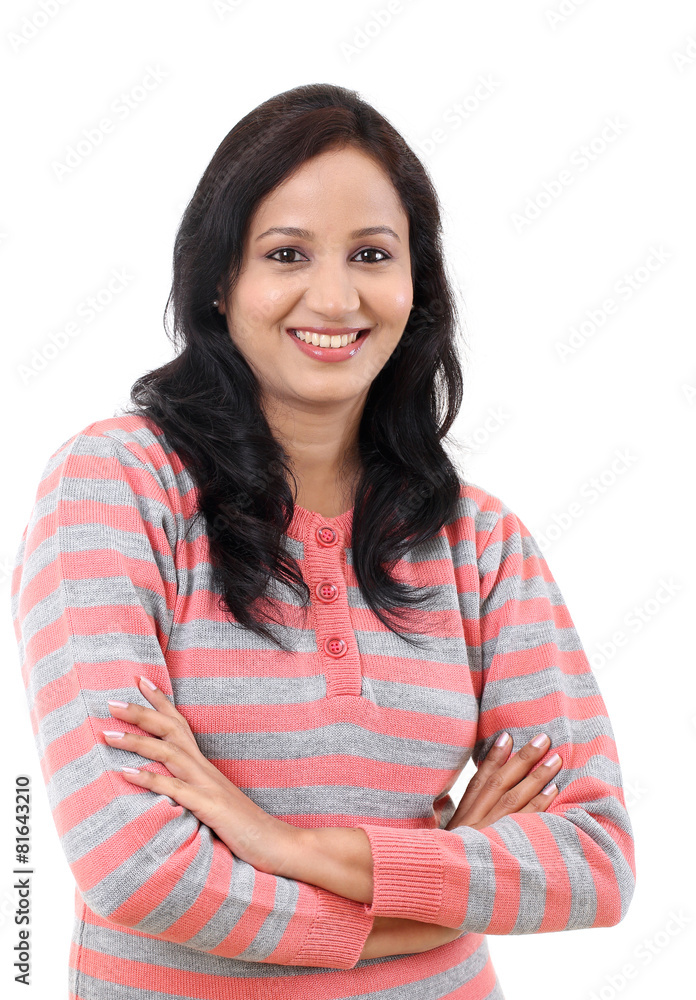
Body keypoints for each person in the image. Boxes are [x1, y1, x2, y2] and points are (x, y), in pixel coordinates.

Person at [10, 83, 635, 999]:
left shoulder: (481, 541)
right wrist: (434, 897)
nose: (336, 296)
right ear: (219, 281)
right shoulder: (115, 489)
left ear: (416, 284)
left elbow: (593, 860)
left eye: (373, 254)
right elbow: (132, 865)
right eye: (287, 253)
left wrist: (284, 846)